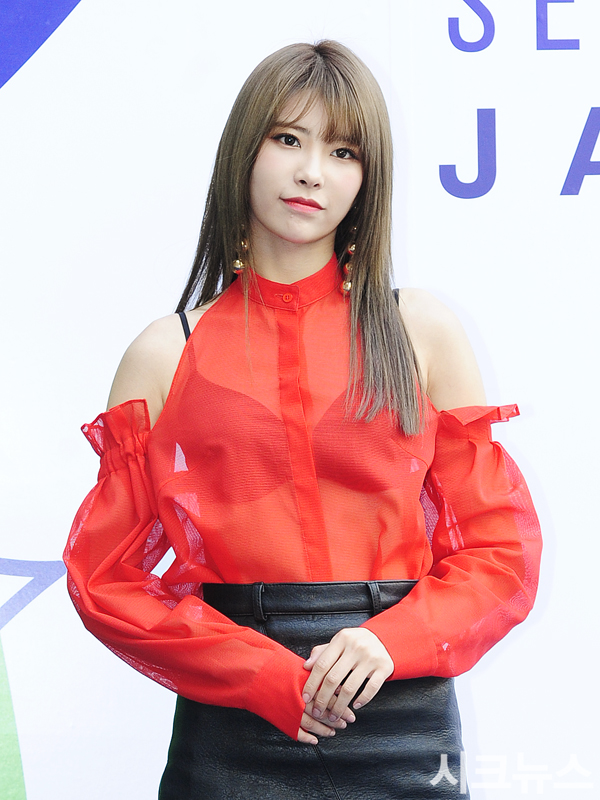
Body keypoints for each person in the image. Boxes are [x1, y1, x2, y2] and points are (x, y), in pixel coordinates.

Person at [64, 41, 542, 799]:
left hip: (399, 707)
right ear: (244, 150)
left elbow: (499, 552)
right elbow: (105, 576)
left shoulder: (418, 332)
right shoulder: (166, 352)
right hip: (234, 719)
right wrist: (255, 670)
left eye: (343, 151)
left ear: (369, 176)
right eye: (288, 139)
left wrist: (392, 639)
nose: (312, 171)